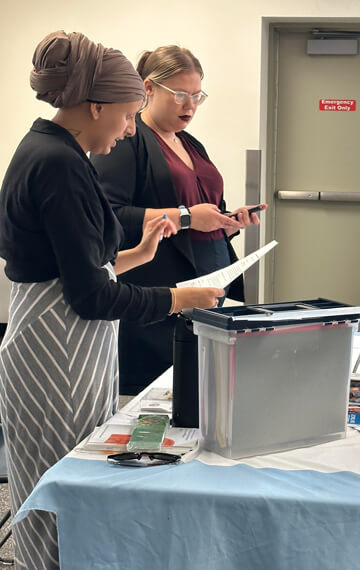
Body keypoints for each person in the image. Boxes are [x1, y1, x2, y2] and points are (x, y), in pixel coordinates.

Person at [0, 31, 223, 569]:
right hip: (54, 350)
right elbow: (91, 295)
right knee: (60, 490)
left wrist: (139, 254)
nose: (129, 131)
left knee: (75, 479)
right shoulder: (55, 162)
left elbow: (77, 265)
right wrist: (178, 297)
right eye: (126, 116)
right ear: (94, 105)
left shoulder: (60, 153)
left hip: (66, 343)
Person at [91, 45, 266, 395]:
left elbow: (206, 209)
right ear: (149, 89)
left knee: (204, 391)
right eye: (181, 95)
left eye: (197, 96)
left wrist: (226, 221)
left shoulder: (191, 143)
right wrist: (186, 218)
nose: (190, 106)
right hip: (159, 292)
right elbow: (108, 214)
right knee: (161, 398)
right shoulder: (129, 140)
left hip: (208, 286)